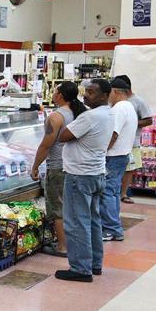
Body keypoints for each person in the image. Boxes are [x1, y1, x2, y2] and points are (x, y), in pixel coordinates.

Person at [55, 79, 114, 282]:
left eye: (91, 92)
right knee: (93, 221)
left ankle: (80, 268)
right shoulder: (109, 113)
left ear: (105, 95)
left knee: (76, 222)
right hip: (96, 172)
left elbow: (63, 135)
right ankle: (95, 263)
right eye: (86, 91)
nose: (86, 95)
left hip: (79, 175)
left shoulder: (90, 116)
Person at [30, 82, 86, 256]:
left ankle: (62, 246)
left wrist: (35, 167)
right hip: (76, 166)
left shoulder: (56, 116)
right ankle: (76, 243)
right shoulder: (81, 113)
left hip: (57, 167)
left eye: (55, 91)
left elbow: (46, 146)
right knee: (74, 208)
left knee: (57, 208)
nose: (53, 93)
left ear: (60, 95)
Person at [101, 77, 138, 242]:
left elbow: (113, 133)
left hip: (113, 156)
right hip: (122, 155)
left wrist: (103, 150)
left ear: (115, 91)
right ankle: (114, 226)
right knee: (113, 192)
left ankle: (110, 229)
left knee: (107, 192)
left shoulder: (119, 109)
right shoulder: (129, 106)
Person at [115, 75, 153, 204]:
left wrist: (131, 123)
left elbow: (149, 119)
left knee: (129, 168)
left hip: (133, 141)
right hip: (116, 140)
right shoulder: (114, 100)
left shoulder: (138, 101)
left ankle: (123, 193)